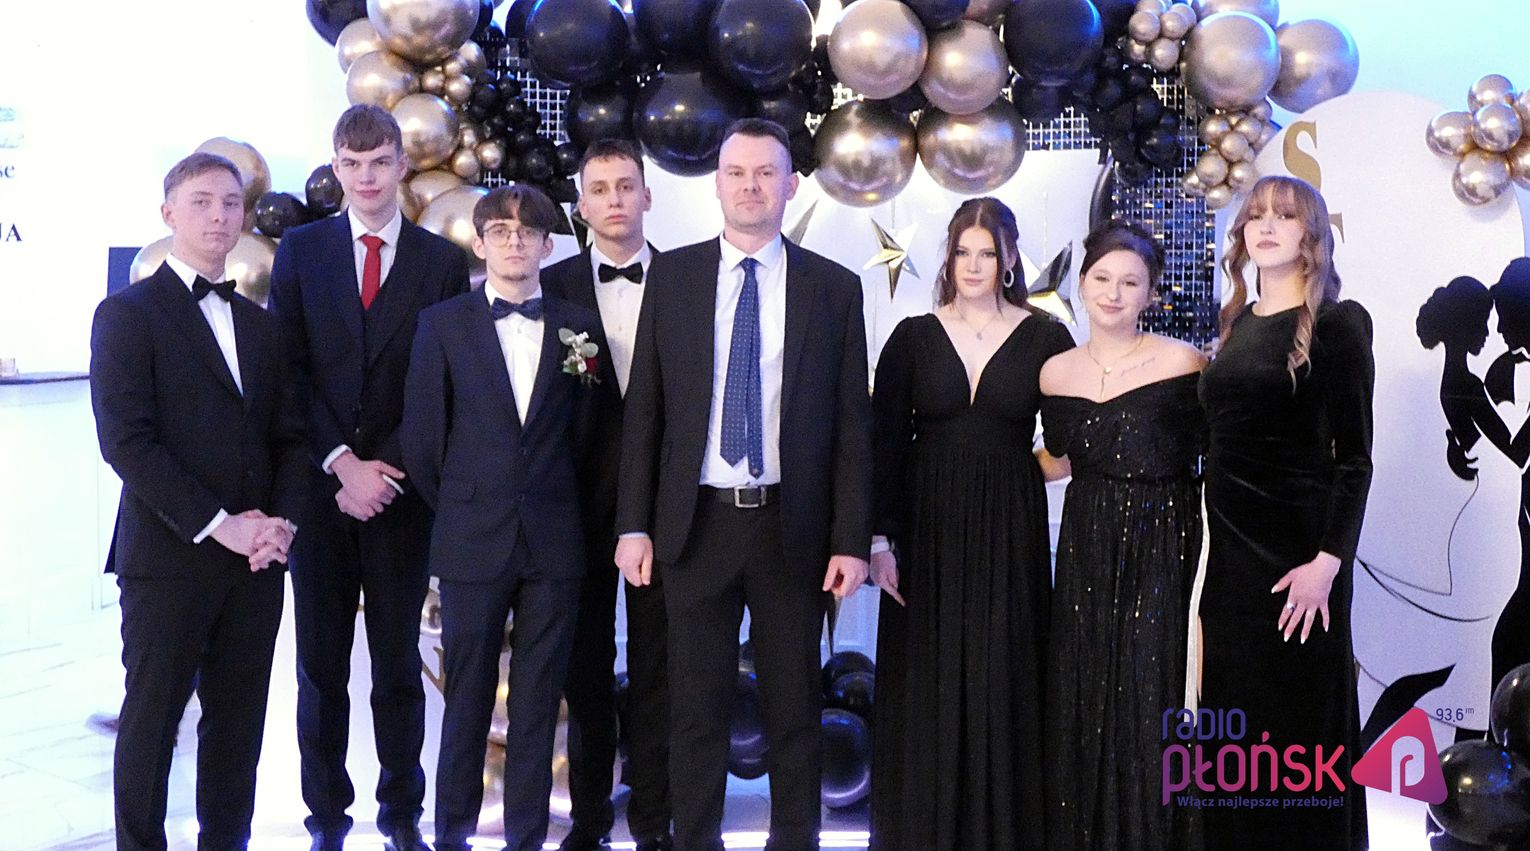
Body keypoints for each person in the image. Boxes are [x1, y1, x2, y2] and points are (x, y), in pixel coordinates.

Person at [614, 118, 872, 851]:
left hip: (793, 525)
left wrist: (852, 538)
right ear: (717, 184)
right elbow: (646, 413)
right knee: (695, 710)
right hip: (694, 524)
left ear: (791, 185)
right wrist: (633, 524)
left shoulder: (834, 289)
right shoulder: (674, 277)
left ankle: (795, 842)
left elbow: (852, 426)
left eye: (765, 173)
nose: (751, 186)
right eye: (736, 172)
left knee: (796, 709)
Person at [90, 151, 306, 851]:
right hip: (168, 557)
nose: (219, 216)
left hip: (256, 563)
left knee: (238, 728)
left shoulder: (263, 326)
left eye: (231, 203)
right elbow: (128, 443)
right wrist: (221, 526)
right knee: (153, 724)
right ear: (168, 214)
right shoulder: (126, 315)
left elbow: (290, 438)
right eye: (202, 202)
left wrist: (279, 525)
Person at [269, 103, 470, 851]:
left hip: (399, 491)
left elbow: (439, 379)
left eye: (379, 162)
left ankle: (401, 816)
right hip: (321, 491)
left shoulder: (438, 261)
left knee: (396, 667)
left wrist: (384, 468)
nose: (366, 178)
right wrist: (341, 463)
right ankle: (326, 818)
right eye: (351, 165)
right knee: (320, 669)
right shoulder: (300, 250)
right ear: (336, 168)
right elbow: (286, 370)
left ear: (401, 165)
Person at [867, 196, 1073, 851]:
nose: (975, 265)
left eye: (988, 252)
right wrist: (878, 541)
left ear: (1009, 259)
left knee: (1003, 668)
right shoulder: (912, 336)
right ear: (949, 257)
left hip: (1009, 527)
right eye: (963, 251)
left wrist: (1014, 474)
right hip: (923, 528)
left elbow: (1072, 439)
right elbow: (883, 447)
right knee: (925, 675)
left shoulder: (1047, 337)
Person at [402, 184, 603, 851]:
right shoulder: (443, 324)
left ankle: (526, 839)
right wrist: (468, 504)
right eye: (501, 230)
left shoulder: (579, 326)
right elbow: (423, 441)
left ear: (547, 245)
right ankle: (451, 837)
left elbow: (589, 434)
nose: (514, 240)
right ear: (481, 243)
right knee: (465, 699)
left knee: (540, 702)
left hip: (554, 541)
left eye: (528, 231)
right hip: (471, 538)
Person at [1197, 175, 1373, 847]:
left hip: (1301, 565)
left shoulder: (1338, 325)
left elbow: (1355, 460)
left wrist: (1326, 564)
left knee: (1301, 735)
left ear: (1311, 235)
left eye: (1285, 215)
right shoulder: (1237, 322)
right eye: (1256, 215)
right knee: (1235, 734)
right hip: (1229, 566)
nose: (1267, 226)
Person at [1037, 221, 1206, 850]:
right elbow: (1058, 459)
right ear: (1082, 284)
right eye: (1103, 278)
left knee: (1151, 686)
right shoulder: (1054, 372)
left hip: (1166, 539)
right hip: (1087, 539)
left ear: (1150, 294)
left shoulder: (1184, 362)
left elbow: (1216, 456)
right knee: (1082, 683)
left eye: (1130, 283)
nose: (1113, 293)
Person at [542, 138, 672, 851]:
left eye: (626, 186)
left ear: (647, 195)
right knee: (584, 670)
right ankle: (588, 818)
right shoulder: (549, 285)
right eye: (600, 188)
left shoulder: (687, 278)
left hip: (667, 508)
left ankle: (654, 818)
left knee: (660, 669)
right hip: (574, 510)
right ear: (581, 204)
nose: (615, 200)